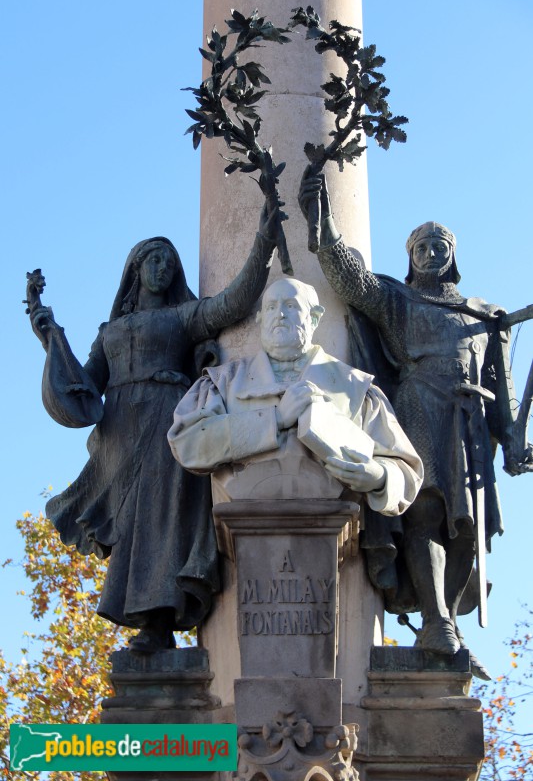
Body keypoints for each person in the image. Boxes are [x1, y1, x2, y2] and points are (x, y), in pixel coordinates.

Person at [299, 171, 533, 672]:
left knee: (467, 527)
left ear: (453, 255)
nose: (430, 253)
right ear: (410, 257)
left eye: (438, 246)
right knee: (424, 512)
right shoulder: (399, 300)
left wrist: (514, 441)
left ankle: (447, 617)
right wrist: (326, 227)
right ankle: (436, 620)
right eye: (421, 247)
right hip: (419, 406)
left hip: (468, 423)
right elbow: (354, 283)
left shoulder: (485, 315)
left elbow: (502, 389)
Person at [29, 206, 277, 652]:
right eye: (154, 260)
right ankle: (144, 619)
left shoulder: (181, 317)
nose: (163, 268)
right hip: (119, 436)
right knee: (128, 523)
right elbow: (86, 386)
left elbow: (234, 302)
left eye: (169, 262)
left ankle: (158, 622)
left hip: (167, 424)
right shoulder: (110, 332)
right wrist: (51, 338)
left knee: (162, 519)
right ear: (135, 269)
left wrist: (263, 242)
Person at [168, 278, 423, 519]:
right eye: (271, 307)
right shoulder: (222, 382)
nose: (279, 314)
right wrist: (275, 419)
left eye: (291, 306)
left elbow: (407, 473)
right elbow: (187, 442)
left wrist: (379, 477)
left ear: (314, 318)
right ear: (260, 319)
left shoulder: (355, 386)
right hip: (242, 521)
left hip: (334, 524)